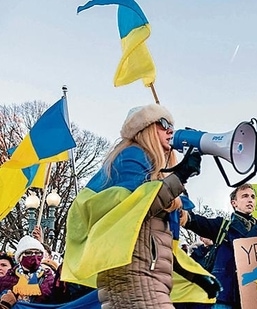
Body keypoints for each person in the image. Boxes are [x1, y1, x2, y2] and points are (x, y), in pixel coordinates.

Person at [63, 104, 206, 308]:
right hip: (134, 277)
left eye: (172, 125)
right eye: (163, 123)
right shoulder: (132, 155)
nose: (170, 130)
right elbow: (135, 206)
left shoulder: (155, 170)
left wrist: (193, 275)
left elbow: (160, 238)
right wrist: (179, 177)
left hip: (148, 278)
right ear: (144, 129)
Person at [183, 183, 257, 309]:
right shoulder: (222, 226)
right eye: (244, 196)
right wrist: (181, 208)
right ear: (234, 203)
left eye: (253, 197)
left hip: (254, 295)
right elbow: (195, 221)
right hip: (226, 295)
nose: (250, 200)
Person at [0, 235, 55, 306]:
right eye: (28, 253)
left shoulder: (49, 279)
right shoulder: (6, 279)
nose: (34, 256)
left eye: (38, 253)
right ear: (19, 257)